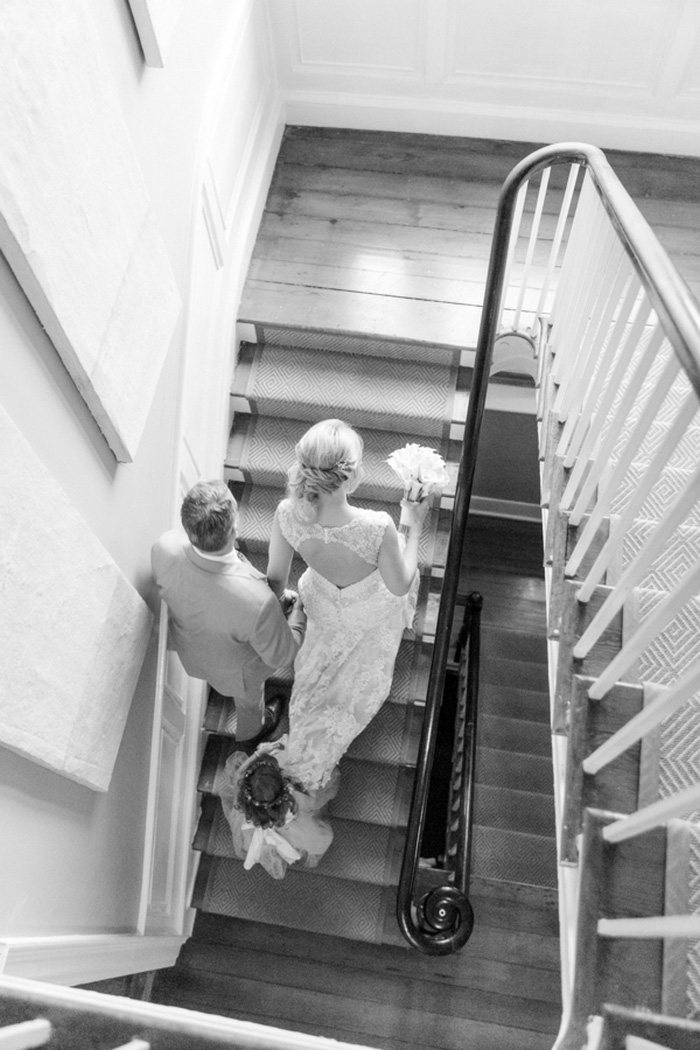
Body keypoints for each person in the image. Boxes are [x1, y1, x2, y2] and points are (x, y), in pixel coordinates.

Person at [219, 419, 429, 877]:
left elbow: (275, 581)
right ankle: (302, 782)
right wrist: (414, 526)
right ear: (351, 477)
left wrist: (288, 612)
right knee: (340, 696)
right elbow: (399, 585)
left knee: (316, 694)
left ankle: (299, 784)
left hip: (323, 611)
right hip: (368, 613)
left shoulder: (285, 513)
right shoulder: (378, 527)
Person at [151, 480, 307, 745]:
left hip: (190, 652)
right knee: (248, 705)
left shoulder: (164, 548)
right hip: (239, 674)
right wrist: (300, 609)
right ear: (235, 529)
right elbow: (283, 654)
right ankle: (251, 734)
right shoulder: (257, 601)